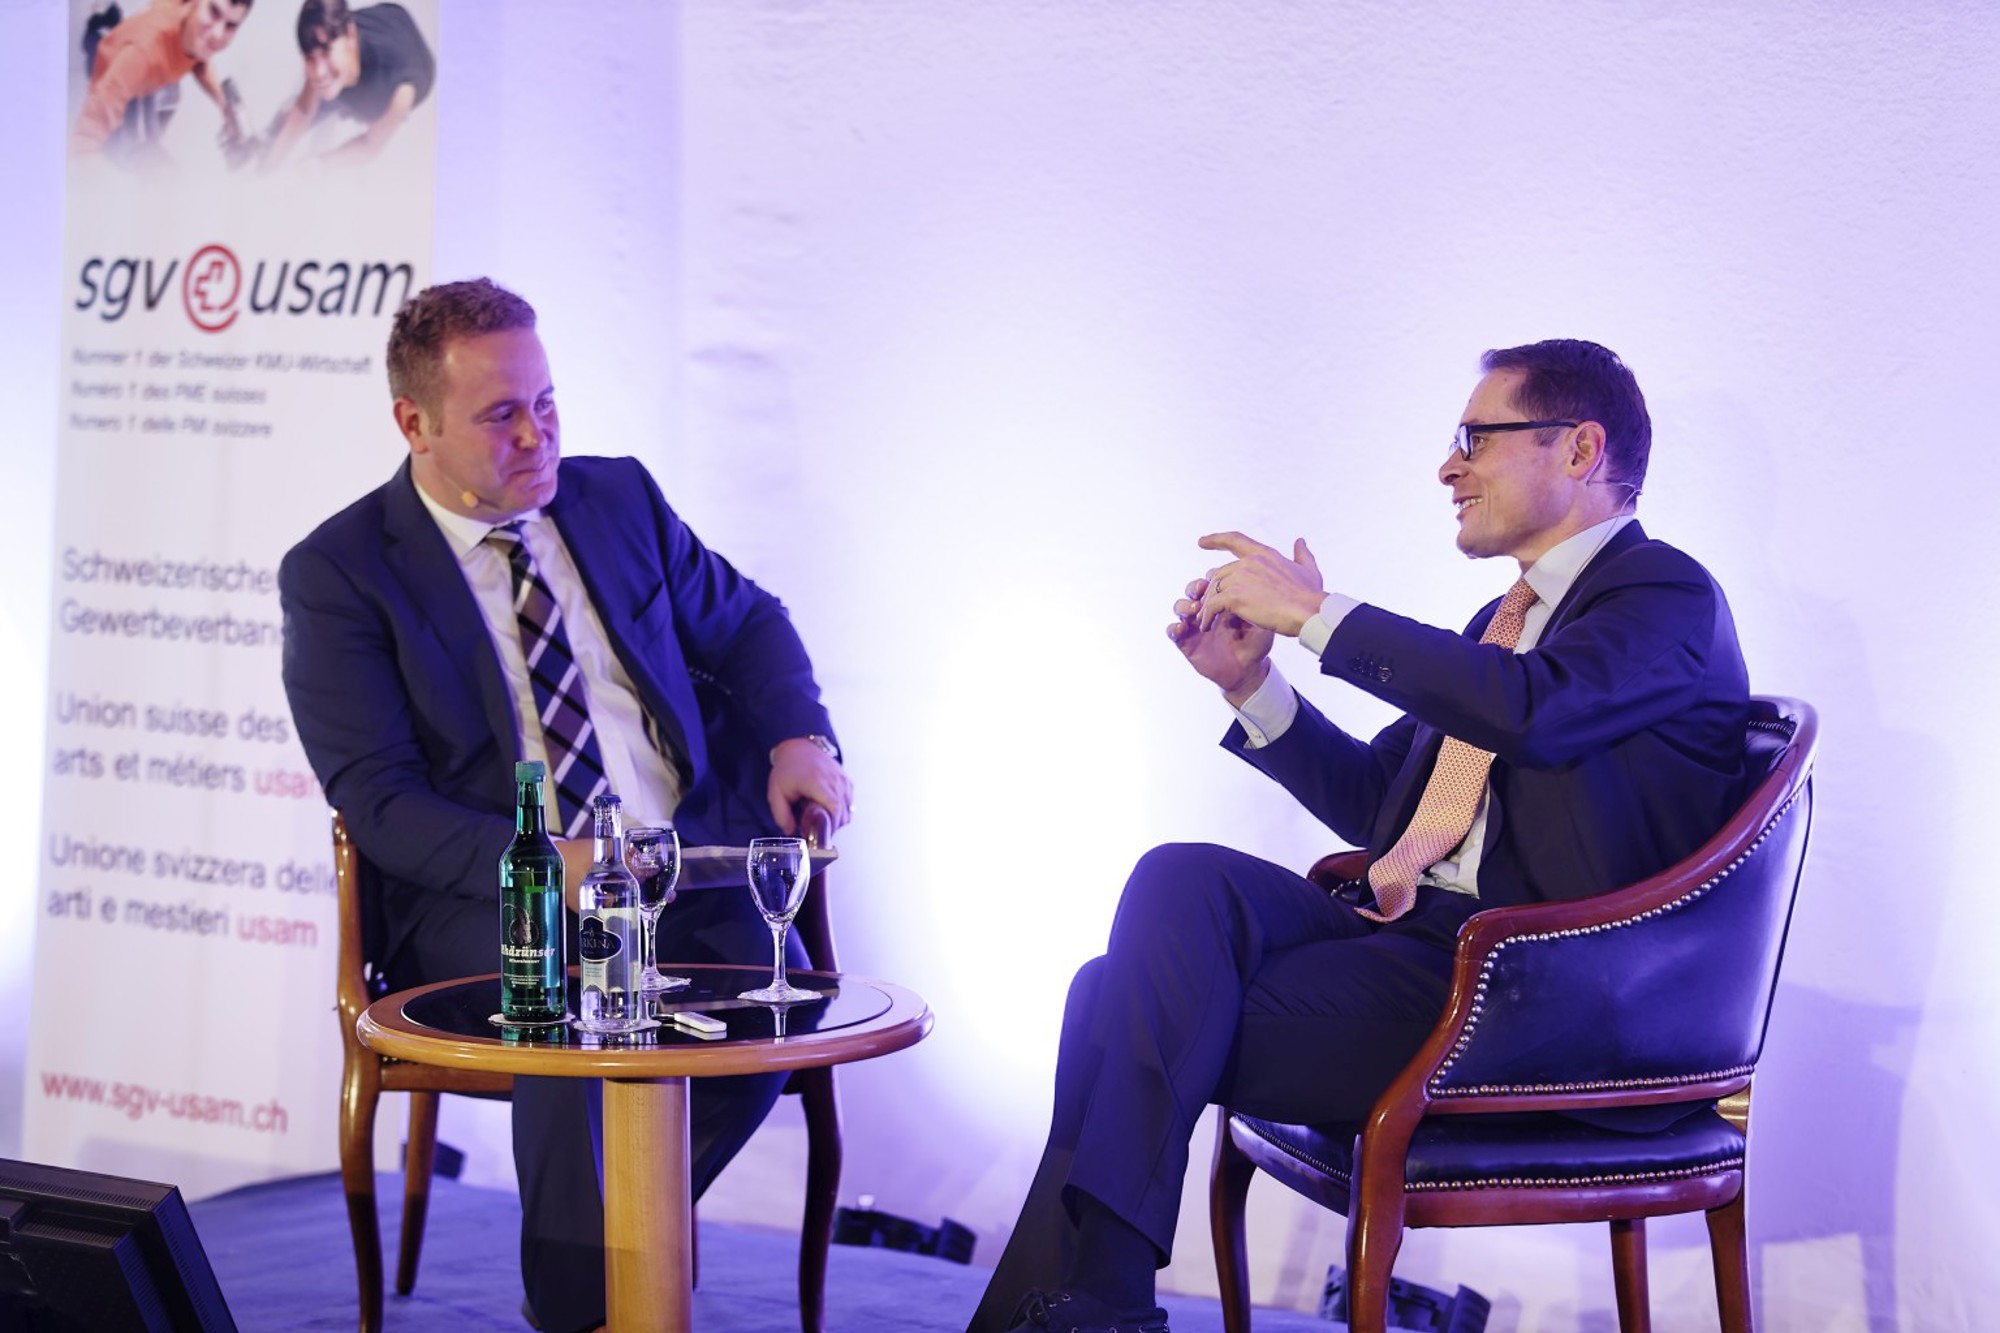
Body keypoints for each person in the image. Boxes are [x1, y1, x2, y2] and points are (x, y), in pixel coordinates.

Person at [968, 340, 1750, 1333]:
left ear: (1579, 448)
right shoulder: (1501, 621)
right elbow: (1385, 803)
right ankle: (1104, 1304)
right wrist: (1251, 684)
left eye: (1475, 437)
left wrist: (1315, 614)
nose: (1447, 466)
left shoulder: (1663, 595)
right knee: (1178, 879)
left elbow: (1533, 710)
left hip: (1530, 993)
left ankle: (1102, 1307)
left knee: (1112, 1003)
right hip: (1416, 949)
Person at [279, 278, 852, 1333]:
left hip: (683, 861)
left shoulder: (615, 498)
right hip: (496, 893)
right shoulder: (341, 573)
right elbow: (381, 801)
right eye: (500, 414)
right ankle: (588, 1310)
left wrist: (797, 736)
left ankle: (621, 1257)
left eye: (546, 402)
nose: (536, 434)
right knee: (563, 978)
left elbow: (748, 624)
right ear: (414, 423)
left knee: (773, 1000)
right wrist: (556, 863)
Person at [261, 0, 433, 170]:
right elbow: (304, 110)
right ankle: (261, 146)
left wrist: (322, 163)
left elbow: (369, 146)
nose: (319, 72)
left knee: (356, 117)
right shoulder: (323, 38)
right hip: (377, 30)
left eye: (326, 52)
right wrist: (269, 164)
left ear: (351, 35)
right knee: (290, 115)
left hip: (395, 76)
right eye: (310, 57)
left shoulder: (400, 90)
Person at [72, 0, 255, 159]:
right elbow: (83, 141)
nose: (217, 34)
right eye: (213, 11)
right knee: (96, 40)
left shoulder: (195, 27)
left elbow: (199, 60)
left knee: (171, 95)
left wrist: (224, 105)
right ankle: (100, 22)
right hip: (115, 62)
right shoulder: (142, 54)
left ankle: (111, 17)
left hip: (145, 59)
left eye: (231, 25)